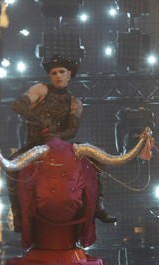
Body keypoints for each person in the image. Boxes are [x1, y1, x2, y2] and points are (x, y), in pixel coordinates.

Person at [8, 54, 117, 232]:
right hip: (35, 146)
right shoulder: (40, 89)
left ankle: (98, 205)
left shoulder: (75, 102)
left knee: (96, 157)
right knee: (11, 166)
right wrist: (38, 121)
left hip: (60, 145)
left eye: (61, 72)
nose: (57, 76)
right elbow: (19, 105)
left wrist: (54, 136)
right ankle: (17, 214)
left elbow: (72, 130)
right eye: (53, 73)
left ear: (69, 74)